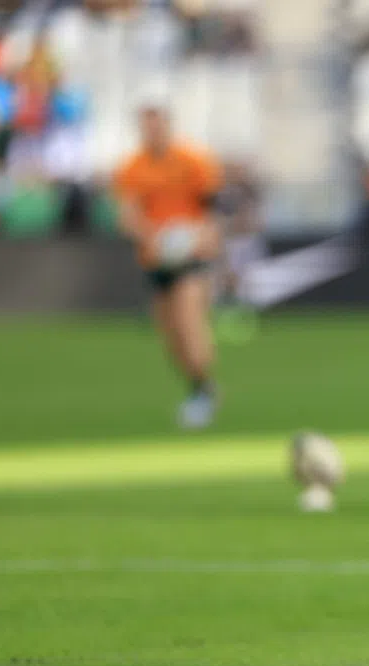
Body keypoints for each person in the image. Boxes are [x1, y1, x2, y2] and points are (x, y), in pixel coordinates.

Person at [113, 106, 223, 429]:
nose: (153, 132)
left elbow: (212, 211)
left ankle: (203, 391)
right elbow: (128, 215)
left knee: (190, 324)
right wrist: (154, 237)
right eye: (147, 126)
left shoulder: (193, 161)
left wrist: (202, 238)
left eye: (157, 125)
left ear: (168, 126)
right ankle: (200, 384)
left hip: (191, 258)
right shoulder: (133, 168)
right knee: (172, 338)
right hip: (156, 259)